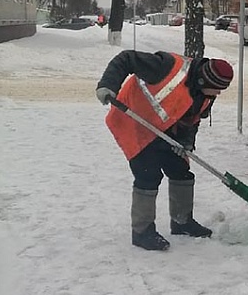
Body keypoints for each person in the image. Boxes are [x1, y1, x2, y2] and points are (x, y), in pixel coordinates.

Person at [95, 50, 234, 251]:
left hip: (165, 128)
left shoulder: (206, 93)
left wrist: (186, 144)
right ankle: (142, 232)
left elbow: (192, 120)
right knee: (148, 176)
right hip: (134, 122)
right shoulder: (165, 66)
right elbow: (126, 58)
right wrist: (108, 85)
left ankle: (181, 222)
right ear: (204, 81)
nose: (218, 94)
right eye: (216, 89)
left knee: (181, 171)